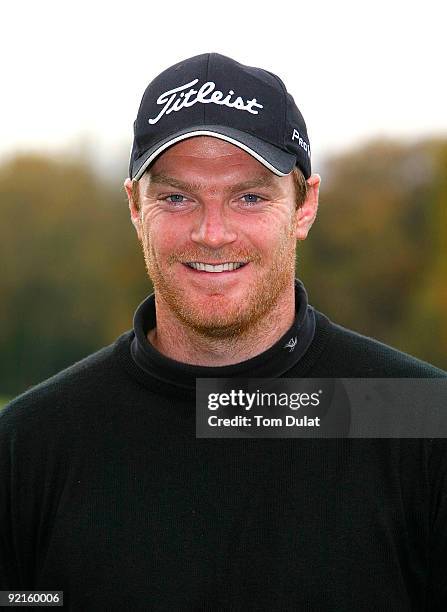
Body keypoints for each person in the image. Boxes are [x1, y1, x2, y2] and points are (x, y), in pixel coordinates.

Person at [1, 53, 446, 611]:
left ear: (304, 206)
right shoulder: (29, 445)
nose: (212, 234)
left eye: (250, 197)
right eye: (177, 197)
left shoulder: (420, 419)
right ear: (135, 209)